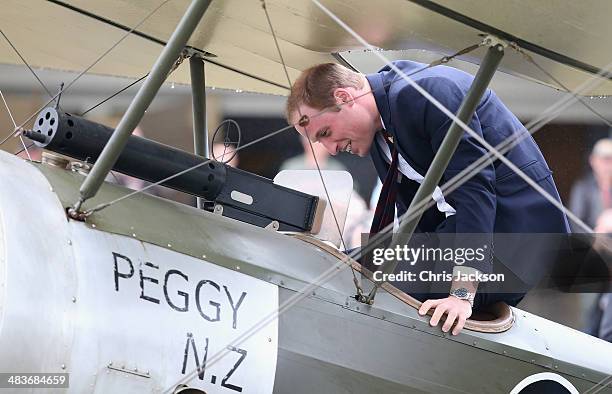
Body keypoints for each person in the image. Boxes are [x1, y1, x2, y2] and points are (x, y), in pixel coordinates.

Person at [285, 61, 570, 335]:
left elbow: (474, 191)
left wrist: (460, 294)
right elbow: (415, 216)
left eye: (325, 133)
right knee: (330, 266)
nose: (331, 150)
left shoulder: (428, 92)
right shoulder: (376, 130)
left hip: (516, 241)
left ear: (345, 97)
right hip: (455, 238)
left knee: (386, 289)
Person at [569, 138, 612, 232]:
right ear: (593, 160)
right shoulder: (583, 187)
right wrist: (593, 238)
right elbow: (575, 222)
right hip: (593, 242)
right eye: (604, 160)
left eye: (610, 160)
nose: (608, 165)